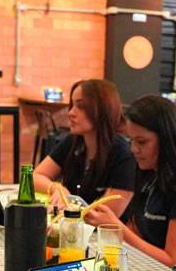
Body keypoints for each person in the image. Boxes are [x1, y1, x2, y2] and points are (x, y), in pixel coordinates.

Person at [84, 95, 176, 266]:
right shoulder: (148, 175)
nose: (134, 149)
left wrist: (117, 228)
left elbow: (173, 261)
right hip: (151, 267)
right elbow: (138, 233)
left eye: (142, 142)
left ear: (167, 140)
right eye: (131, 140)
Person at [33, 79, 135, 218]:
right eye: (72, 105)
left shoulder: (123, 155)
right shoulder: (73, 141)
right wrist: (57, 188)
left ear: (102, 110)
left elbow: (103, 216)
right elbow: (34, 177)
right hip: (70, 225)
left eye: (81, 106)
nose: (71, 113)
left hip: (99, 231)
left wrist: (67, 207)